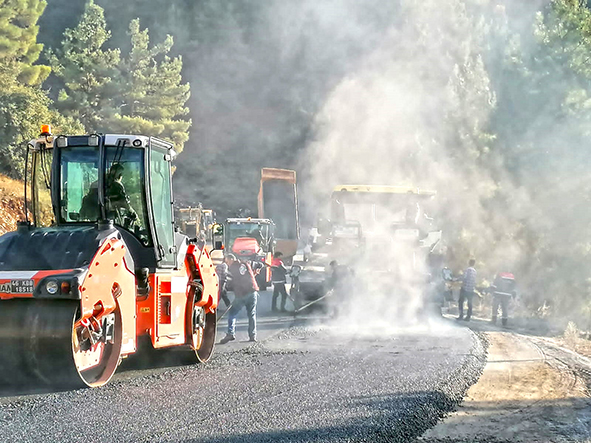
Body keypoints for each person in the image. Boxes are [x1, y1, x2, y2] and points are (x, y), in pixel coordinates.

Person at [220, 254, 259, 343]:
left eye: (227, 261)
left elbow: (230, 281)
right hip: (253, 291)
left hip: (241, 294)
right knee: (252, 314)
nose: (227, 264)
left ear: (230, 260)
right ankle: (252, 336)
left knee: (232, 313)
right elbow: (247, 276)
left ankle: (231, 333)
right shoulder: (245, 264)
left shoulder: (232, 267)